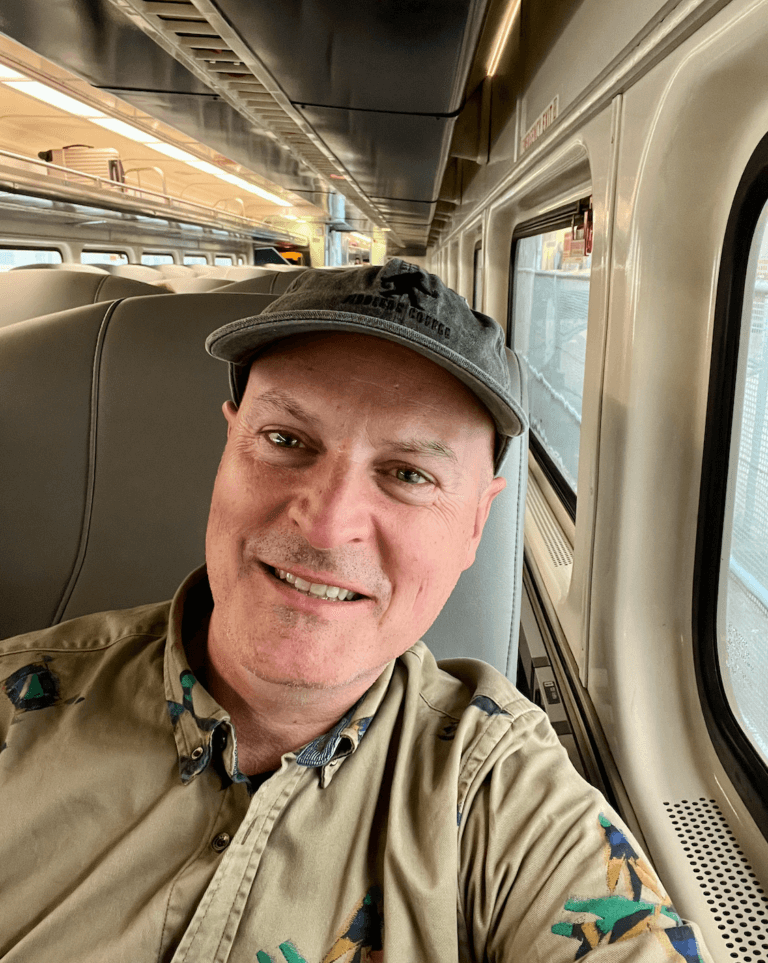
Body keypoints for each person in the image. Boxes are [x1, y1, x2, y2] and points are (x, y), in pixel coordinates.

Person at [0, 260, 712, 962]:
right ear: (228, 447)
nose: (326, 524)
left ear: (474, 525)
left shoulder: (502, 791)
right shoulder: (16, 705)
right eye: (285, 441)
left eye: (408, 474)